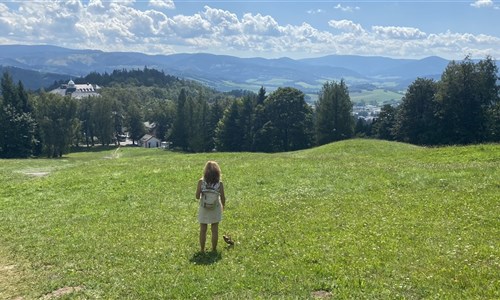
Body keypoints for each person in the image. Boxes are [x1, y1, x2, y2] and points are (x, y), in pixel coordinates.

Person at [196, 161, 226, 253]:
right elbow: (223, 197)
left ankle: (202, 249)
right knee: (214, 229)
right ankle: (213, 249)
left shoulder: (201, 182)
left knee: (203, 229)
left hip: (204, 207)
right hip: (215, 207)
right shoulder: (219, 183)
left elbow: (197, 196)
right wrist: (223, 206)